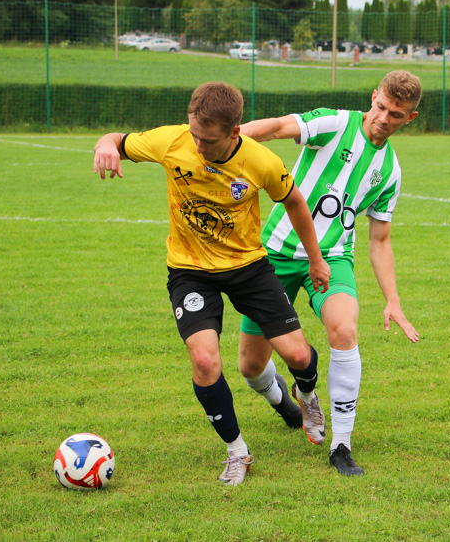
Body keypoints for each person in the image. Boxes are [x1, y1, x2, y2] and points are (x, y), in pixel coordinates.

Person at [91, 81, 331, 486]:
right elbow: (118, 139)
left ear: (235, 132)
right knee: (204, 360)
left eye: (209, 140)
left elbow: (293, 201)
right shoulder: (173, 141)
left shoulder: (261, 161)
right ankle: (237, 451)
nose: (198, 146)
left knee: (300, 356)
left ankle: (307, 397)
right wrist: (106, 143)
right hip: (189, 270)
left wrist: (317, 257)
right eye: (195, 136)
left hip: (248, 267)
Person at [237, 70, 422, 478]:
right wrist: (231, 138)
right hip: (275, 254)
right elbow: (282, 126)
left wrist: (393, 300)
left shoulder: (390, 171)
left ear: (408, 118)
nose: (383, 118)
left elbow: (380, 241)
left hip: (333, 257)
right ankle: (285, 401)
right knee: (250, 367)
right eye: (380, 107)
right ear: (373, 97)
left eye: (395, 114)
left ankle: (342, 445)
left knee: (344, 330)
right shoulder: (336, 123)